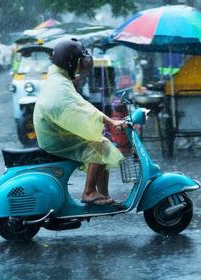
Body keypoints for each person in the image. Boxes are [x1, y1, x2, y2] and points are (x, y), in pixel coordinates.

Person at [33, 38, 126, 206]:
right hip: (54, 137)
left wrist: (108, 121)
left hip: (55, 130)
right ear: (71, 63)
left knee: (102, 142)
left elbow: (82, 105)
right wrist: (111, 122)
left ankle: (102, 194)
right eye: (79, 61)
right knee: (99, 145)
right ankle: (89, 192)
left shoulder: (59, 78)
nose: (82, 65)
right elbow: (82, 111)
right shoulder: (60, 86)